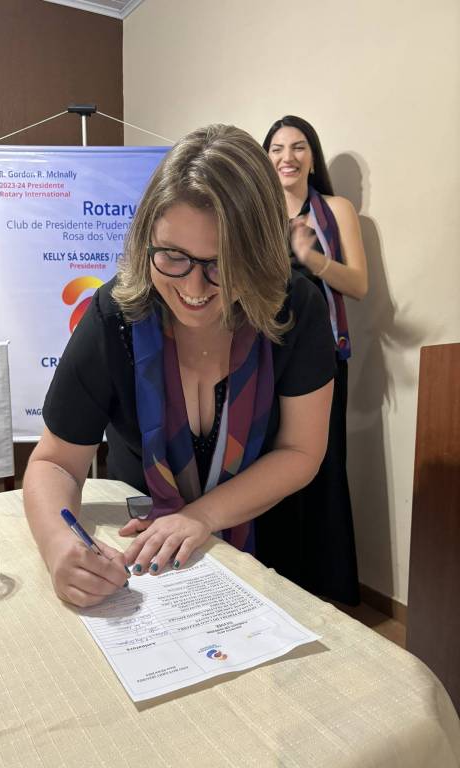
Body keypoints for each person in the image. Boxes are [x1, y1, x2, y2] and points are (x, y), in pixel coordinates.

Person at [23, 124, 337, 609]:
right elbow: (54, 462)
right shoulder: (114, 316)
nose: (194, 287)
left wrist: (200, 516)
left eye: (222, 263)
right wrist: (58, 545)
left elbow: (301, 451)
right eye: (172, 256)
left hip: (266, 553)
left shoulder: (295, 309)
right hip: (140, 562)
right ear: (146, 240)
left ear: (258, 256)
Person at [262, 115, 368, 605]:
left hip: (323, 359)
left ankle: (327, 592)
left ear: (312, 157)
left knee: (324, 469)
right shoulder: (257, 212)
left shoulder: (335, 209)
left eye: (298, 146)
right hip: (264, 360)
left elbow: (359, 285)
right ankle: (277, 585)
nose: (287, 157)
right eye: (277, 148)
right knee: (269, 469)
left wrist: (311, 258)